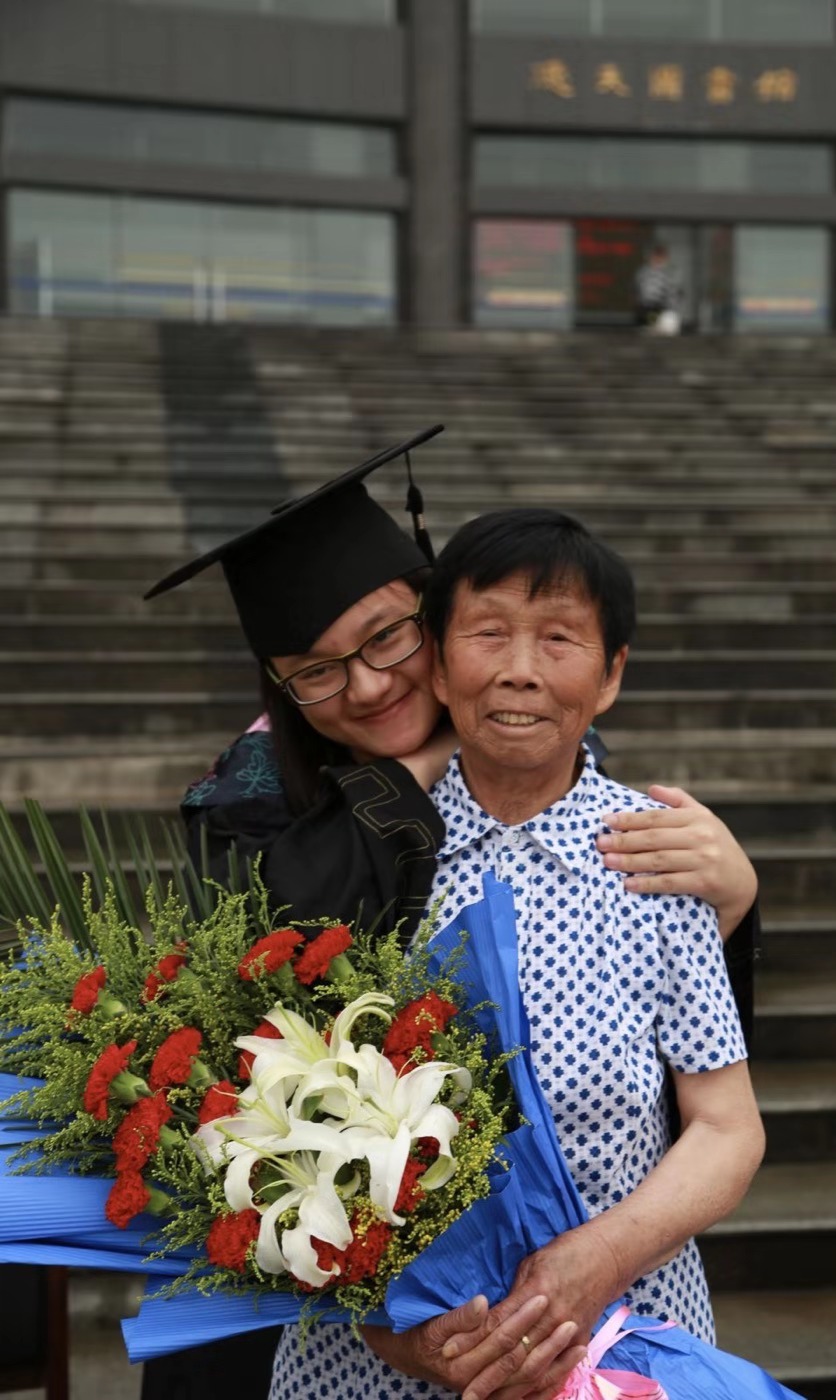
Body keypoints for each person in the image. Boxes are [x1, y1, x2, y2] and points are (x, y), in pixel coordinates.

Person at [144, 432, 759, 1397]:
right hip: (308, 1310)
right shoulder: (255, 808)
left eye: (387, 639)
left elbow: (706, 1098)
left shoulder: (595, 803)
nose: (369, 685)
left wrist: (737, 896)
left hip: (604, 1332)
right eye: (316, 670)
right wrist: (387, 1321)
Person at [634, 244, 682, 334]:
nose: (658, 259)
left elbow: (675, 297)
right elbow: (640, 296)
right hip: (647, 313)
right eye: (656, 256)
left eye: (660, 257)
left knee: (670, 319)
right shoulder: (643, 273)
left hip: (665, 313)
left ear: (665, 258)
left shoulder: (671, 273)